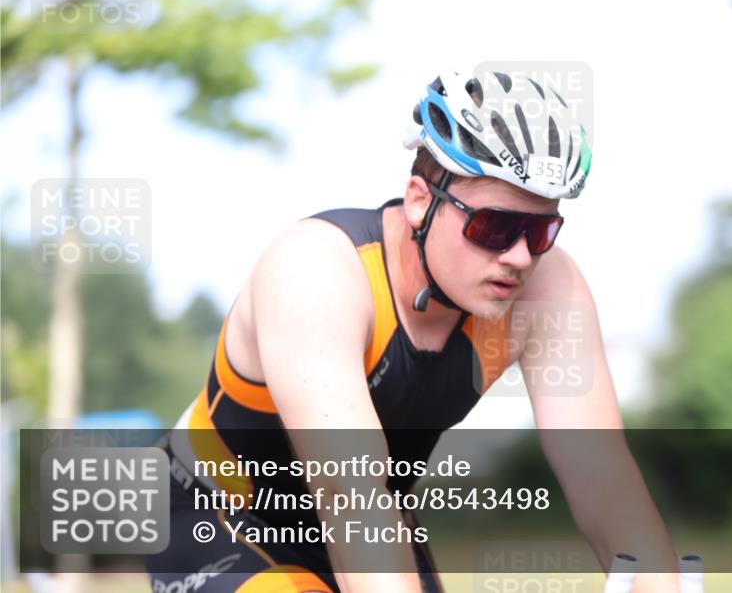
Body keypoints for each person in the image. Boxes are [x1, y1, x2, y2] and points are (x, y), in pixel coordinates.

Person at [146, 69, 680, 593]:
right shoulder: (317, 270)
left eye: (541, 231)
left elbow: (600, 472)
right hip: (218, 516)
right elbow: (349, 492)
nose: (520, 256)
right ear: (421, 200)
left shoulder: (548, 288)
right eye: (495, 227)